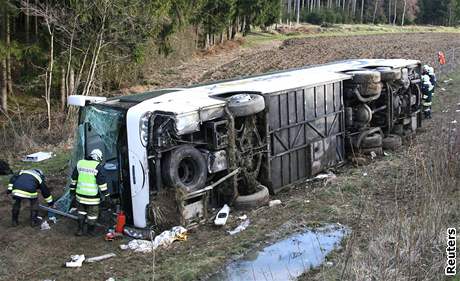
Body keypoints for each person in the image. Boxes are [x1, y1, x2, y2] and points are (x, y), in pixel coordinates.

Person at [69, 149, 108, 236]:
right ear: (98, 157)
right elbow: (102, 184)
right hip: (92, 198)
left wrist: (72, 190)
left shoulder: (80, 163)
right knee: (92, 215)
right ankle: (90, 232)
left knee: (81, 212)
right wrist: (106, 195)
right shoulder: (98, 166)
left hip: (80, 196)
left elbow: (73, 179)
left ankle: (80, 230)